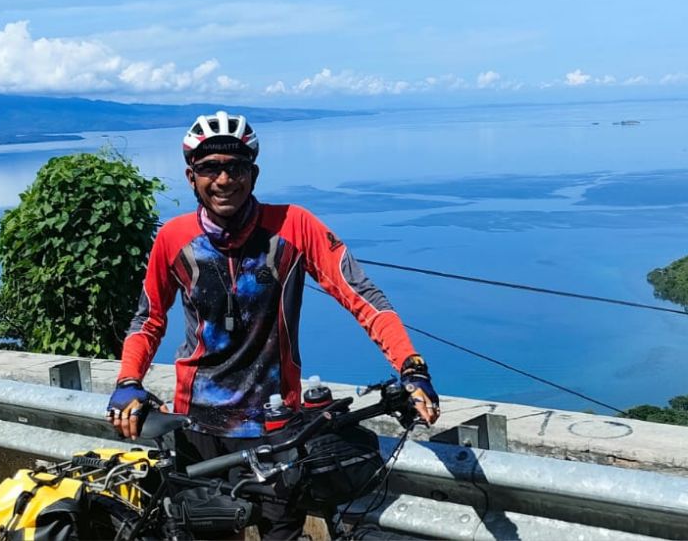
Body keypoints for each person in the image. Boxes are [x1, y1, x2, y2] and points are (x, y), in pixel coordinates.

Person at [106, 111, 440, 539]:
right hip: (196, 426)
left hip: (276, 427)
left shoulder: (293, 226)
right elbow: (148, 318)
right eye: (210, 168)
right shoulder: (173, 238)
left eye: (236, 167)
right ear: (191, 177)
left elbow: (362, 296)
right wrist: (128, 380)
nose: (224, 180)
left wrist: (411, 365)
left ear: (254, 174)